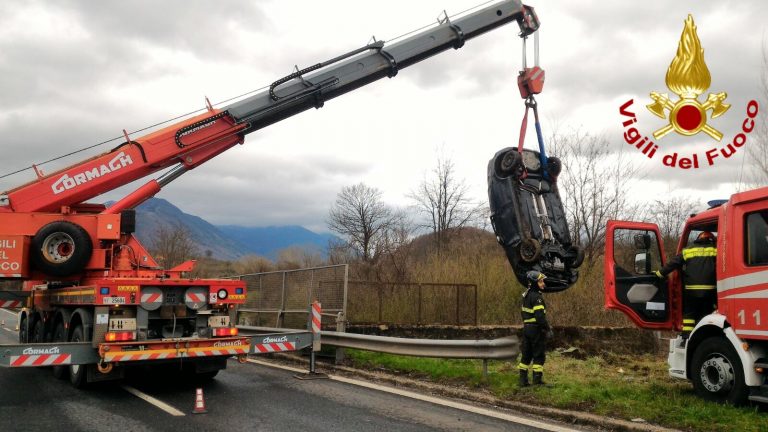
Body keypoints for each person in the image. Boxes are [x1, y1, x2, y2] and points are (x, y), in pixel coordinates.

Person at [655, 231, 717, 338]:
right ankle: (705, 336)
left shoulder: (688, 250)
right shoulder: (716, 250)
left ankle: (687, 336)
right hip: (710, 291)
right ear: (711, 240)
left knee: (689, 314)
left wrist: (659, 274)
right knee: (706, 313)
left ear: (698, 239)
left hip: (691, 290)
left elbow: (673, 263)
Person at [518, 270, 553, 386]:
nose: (543, 284)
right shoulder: (537, 297)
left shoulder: (526, 296)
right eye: (541, 281)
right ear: (534, 283)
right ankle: (537, 381)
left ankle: (522, 381)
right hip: (535, 330)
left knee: (526, 355)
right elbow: (540, 317)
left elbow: (523, 314)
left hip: (526, 329)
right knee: (539, 355)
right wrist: (547, 329)